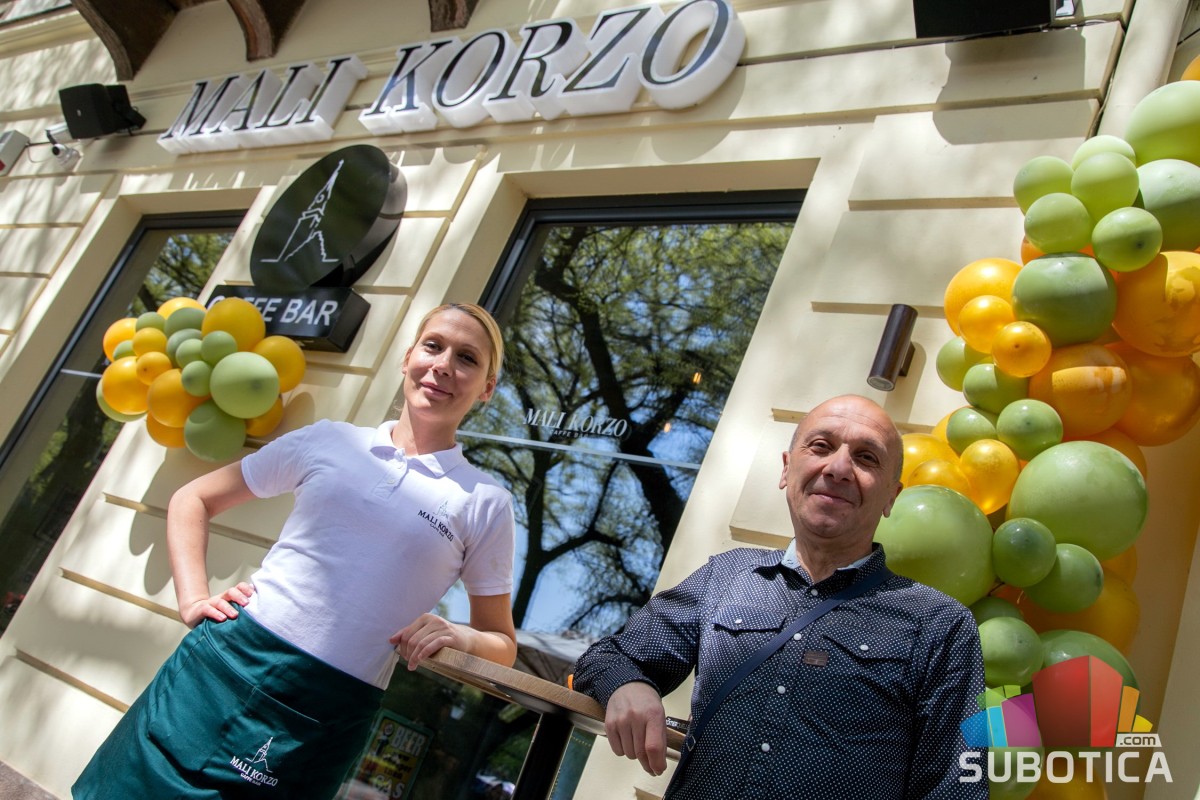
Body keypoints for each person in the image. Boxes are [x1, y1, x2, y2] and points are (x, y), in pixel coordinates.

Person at [73, 302, 517, 800]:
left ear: (487, 388)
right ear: (408, 356)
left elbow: (502, 644)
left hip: (328, 711)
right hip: (223, 664)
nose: (443, 365)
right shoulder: (330, 441)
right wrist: (194, 598)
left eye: (466, 358)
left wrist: (458, 635)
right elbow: (192, 499)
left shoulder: (486, 503)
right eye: (433, 346)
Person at [572, 394, 987, 799]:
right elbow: (605, 657)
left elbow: (959, 785)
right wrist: (628, 685)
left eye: (866, 458)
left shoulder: (940, 624)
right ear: (787, 469)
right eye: (821, 446)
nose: (838, 468)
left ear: (891, 497)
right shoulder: (726, 575)